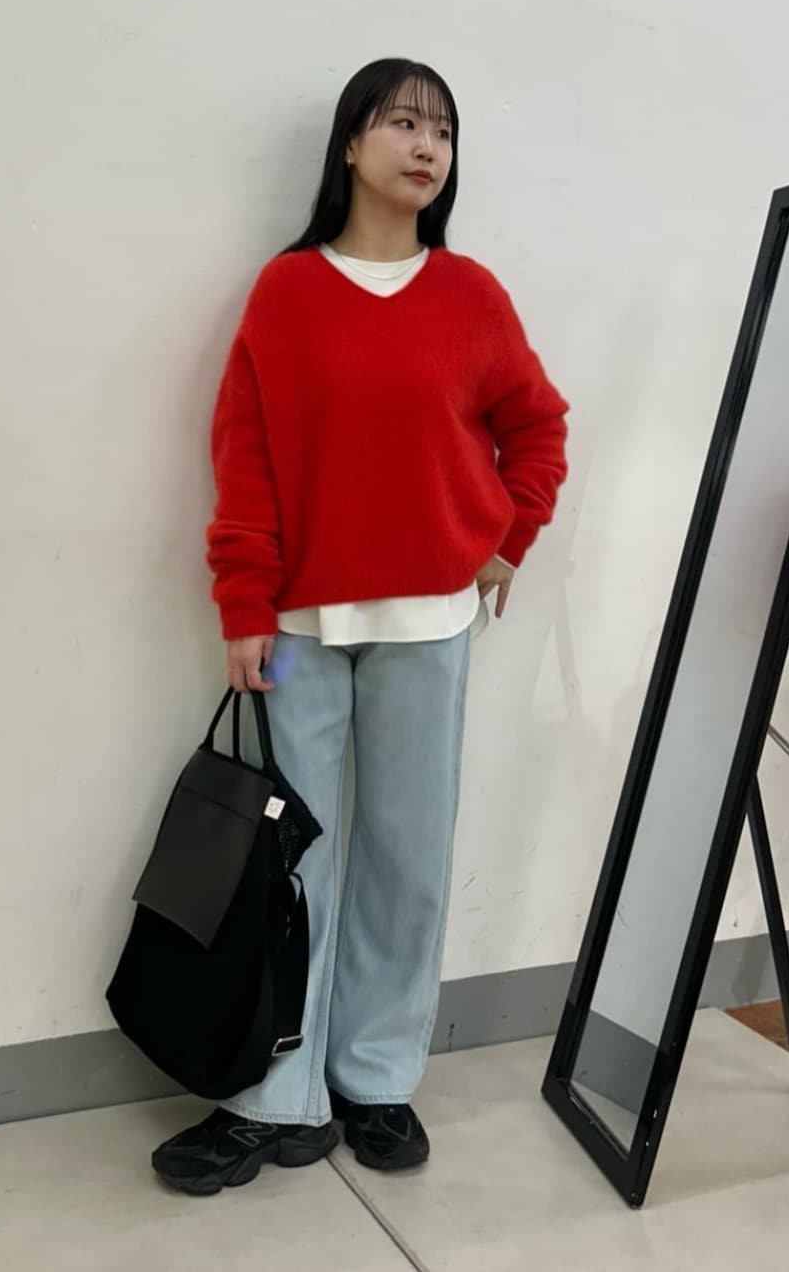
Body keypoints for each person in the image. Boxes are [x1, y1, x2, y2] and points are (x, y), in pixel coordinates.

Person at [152, 58, 569, 1196]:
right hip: (296, 625)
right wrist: (244, 603)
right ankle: (273, 1094)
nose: (425, 146)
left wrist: (508, 538)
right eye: (401, 123)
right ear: (349, 143)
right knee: (294, 859)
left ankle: (375, 1078)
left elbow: (537, 427)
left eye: (442, 130)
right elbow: (245, 455)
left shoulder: (470, 296)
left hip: (430, 622)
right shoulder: (287, 292)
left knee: (407, 857)